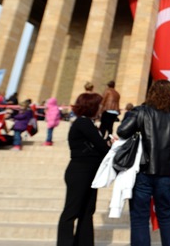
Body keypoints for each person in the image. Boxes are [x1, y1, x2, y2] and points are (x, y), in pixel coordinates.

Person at [116, 80, 170, 246]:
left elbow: (122, 131)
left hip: (142, 172)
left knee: (140, 217)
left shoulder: (142, 111)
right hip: (168, 174)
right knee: (166, 215)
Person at [57, 92, 110, 246]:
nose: (102, 108)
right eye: (100, 105)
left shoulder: (88, 123)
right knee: (72, 211)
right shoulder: (83, 123)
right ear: (91, 106)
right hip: (80, 171)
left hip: (90, 172)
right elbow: (101, 146)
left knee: (87, 212)